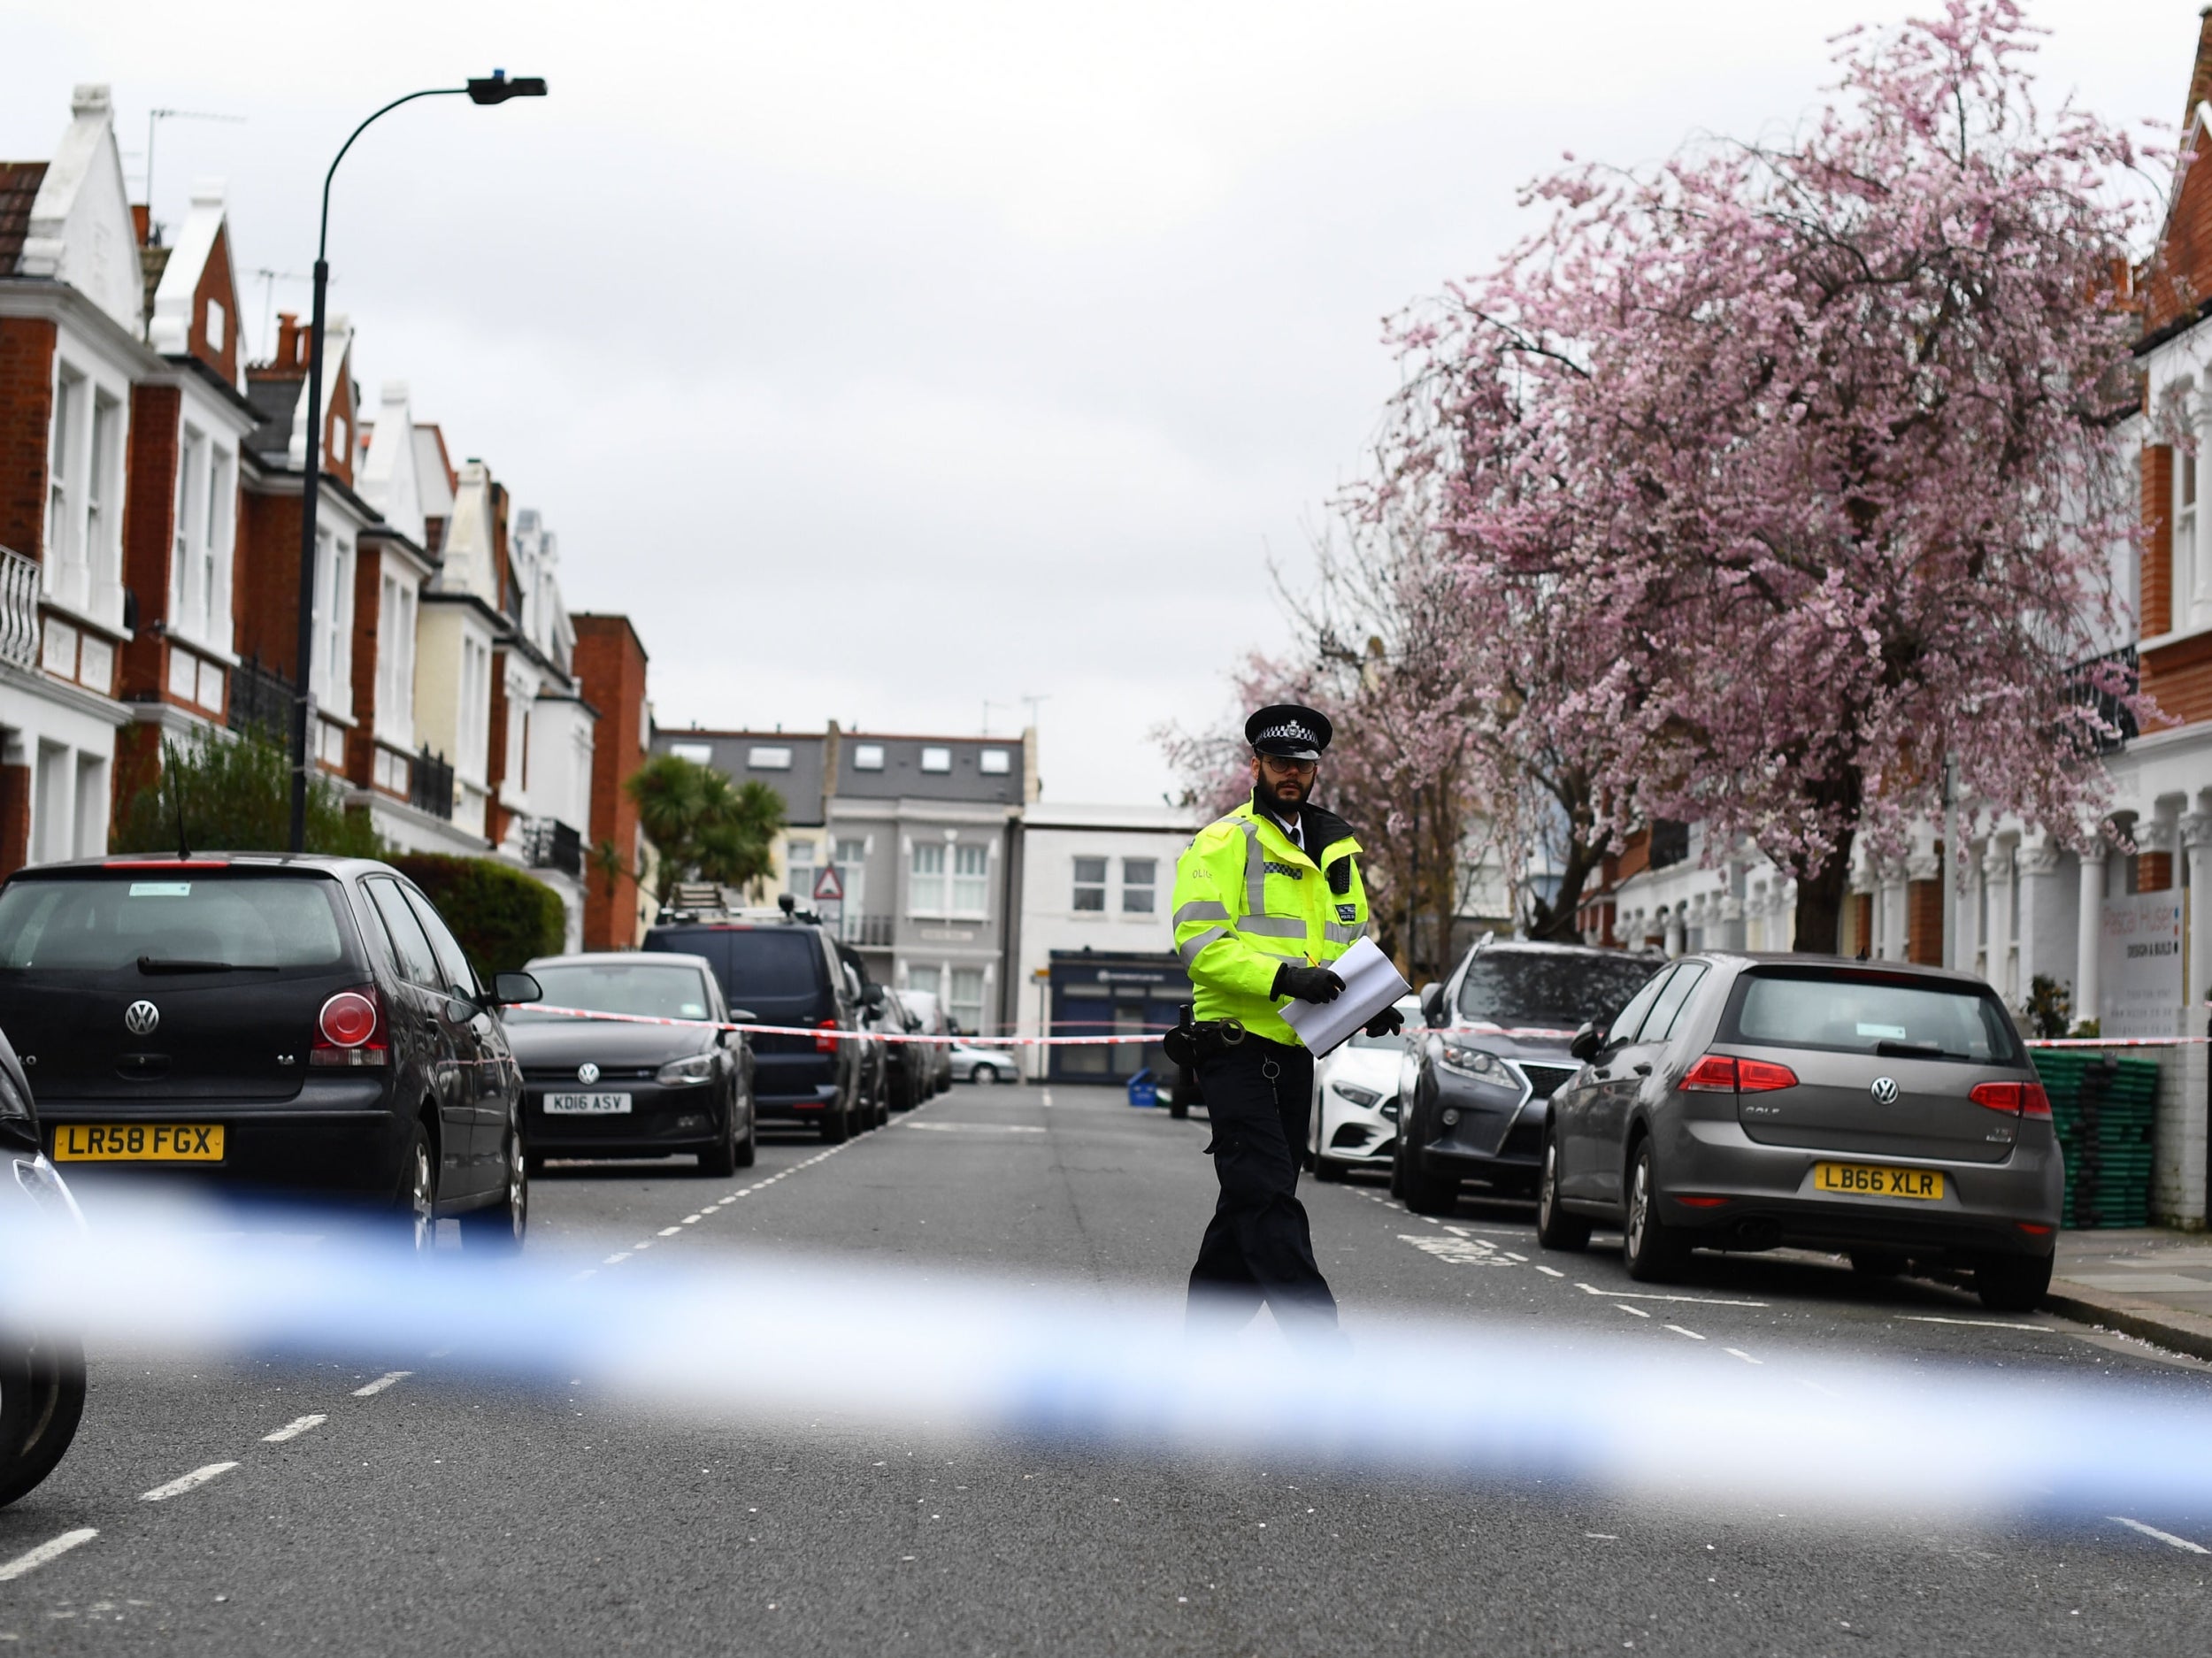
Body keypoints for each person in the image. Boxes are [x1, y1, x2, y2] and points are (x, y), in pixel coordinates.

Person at [1170, 702, 1402, 1342]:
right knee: (1270, 1197)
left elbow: (1346, 943)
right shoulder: (1222, 842)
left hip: (1298, 1049)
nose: (1290, 774)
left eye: (1301, 764)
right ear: (1257, 766)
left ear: (1315, 769)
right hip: (1233, 1049)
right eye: (1278, 763)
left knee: (1247, 1203)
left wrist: (1369, 999)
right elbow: (1198, 940)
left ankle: (1196, 1353)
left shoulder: (1337, 852)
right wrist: (1280, 978)